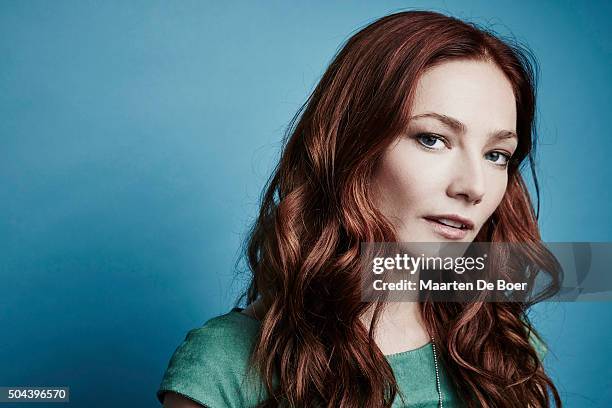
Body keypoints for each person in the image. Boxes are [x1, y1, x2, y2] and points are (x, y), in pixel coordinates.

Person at [157, 10, 562, 408]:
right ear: (353, 147)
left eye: (496, 155)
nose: (474, 187)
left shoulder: (502, 345)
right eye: (432, 139)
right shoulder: (224, 366)